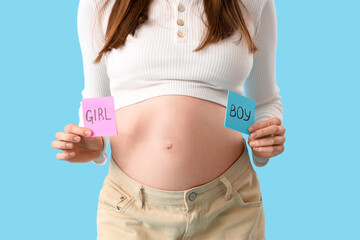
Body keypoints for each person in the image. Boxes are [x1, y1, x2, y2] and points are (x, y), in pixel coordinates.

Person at [51, 0, 286, 239]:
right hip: (130, 213)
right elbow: (97, 100)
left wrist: (266, 138)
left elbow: (264, 103)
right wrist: (94, 141)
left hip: (229, 209)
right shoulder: (99, 3)